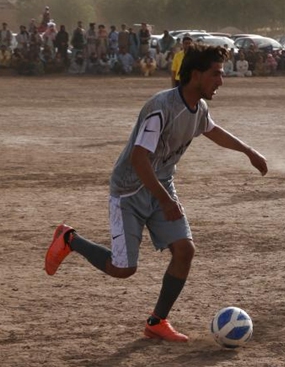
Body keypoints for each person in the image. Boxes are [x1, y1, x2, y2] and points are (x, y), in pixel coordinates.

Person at [44, 44, 268, 342]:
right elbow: (139, 158)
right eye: (216, 74)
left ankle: (157, 321)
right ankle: (70, 239)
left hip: (161, 185)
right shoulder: (161, 107)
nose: (221, 81)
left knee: (185, 251)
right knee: (123, 269)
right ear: (196, 74)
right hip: (129, 191)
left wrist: (248, 151)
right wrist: (165, 200)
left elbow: (212, 129)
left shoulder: (198, 108)